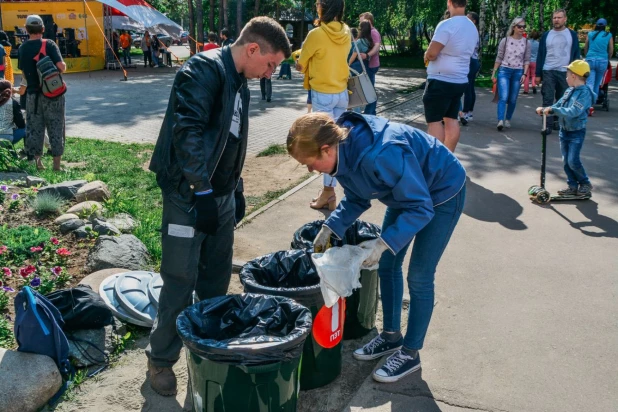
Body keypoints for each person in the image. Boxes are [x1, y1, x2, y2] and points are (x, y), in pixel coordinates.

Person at [147, 16, 291, 397]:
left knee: (216, 278)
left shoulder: (240, 81)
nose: (271, 72)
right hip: (187, 195)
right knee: (180, 280)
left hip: (220, 196)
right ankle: (160, 360)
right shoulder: (202, 70)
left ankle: (206, 353)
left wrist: (233, 187)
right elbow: (187, 133)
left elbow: (231, 140)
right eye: (271, 64)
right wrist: (201, 191)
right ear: (253, 49)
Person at [287, 111, 466, 383]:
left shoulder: (381, 153)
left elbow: (420, 208)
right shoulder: (343, 154)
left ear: (325, 149)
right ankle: (391, 336)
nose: (310, 170)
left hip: (442, 192)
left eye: (308, 163)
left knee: (419, 275)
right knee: (388, 264)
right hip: (407, 196)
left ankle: (410, 352)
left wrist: (383, 243)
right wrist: (331, 227)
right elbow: (357, 196)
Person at [296, 0, 350, 211]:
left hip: (323, 93)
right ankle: (331, 189)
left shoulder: (316, 34)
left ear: (322, 7)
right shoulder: (346, 31)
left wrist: (298, 59)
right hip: (342, 93)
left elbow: (301, 65)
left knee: (325, 146)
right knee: (337, 143)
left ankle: (328, 193)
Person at [423, 0, 478, 152]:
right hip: (460, 79)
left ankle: (436, 161)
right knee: (451, 119)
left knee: (434, 121)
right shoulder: (472, 27)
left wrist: (426, 54)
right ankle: (449, 157)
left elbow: (432, 53)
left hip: (441, 79)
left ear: (449, 2)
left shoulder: (447, 25)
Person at [536, 60, 595, 197]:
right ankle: (572, 186)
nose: (566, 78)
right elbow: (558, 105)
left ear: (574, 76)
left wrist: (553, 110)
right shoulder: (569, 90)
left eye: (567, 75)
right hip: (564, 130)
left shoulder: (584, 93)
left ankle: (585, 183)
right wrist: (547, 109)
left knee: (573, 161)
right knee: (566, 161)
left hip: (576, 132)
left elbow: (573, 111)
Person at [17, 14, 66, 171]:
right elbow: (62, 67)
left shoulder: (22, 48)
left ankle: (38, 164)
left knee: (35, 128)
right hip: (53, 95)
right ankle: (56, 166)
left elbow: (24, 73)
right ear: (43, 29)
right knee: (56, 126)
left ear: (26, 29)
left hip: (32, 96)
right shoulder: (49, 44)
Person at [535, 9, 580, 134]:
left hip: (565, 72)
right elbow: (540, 55)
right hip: (548, 70)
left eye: (559, 17)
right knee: (547, 98)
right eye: (554, 18)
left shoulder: (572, 35)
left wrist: (575, 73)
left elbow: (576, 54)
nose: (556, 20)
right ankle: (547, 125)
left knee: (563, 99)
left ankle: (558, 122)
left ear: (565, 19)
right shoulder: (546, 35)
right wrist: (538, 74)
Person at [491, 17, 530, 131]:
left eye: (523, 27)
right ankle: (500, 120)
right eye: (519, 26)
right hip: (504, 70)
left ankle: (508, 119)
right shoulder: (505, 40)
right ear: (513, 27)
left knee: (513, 98)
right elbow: (499, 57)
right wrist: (494, 72)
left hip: (518, 72)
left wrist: (525, 74)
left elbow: (526, 60)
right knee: (503, 96)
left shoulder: (526, 42)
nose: (522, 29)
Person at [357, 12, 381, 115]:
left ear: (369, 21)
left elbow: (377, 46)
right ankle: (370, 111)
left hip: (371, 64)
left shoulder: (373, 32)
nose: (360, 24)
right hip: (369, 64)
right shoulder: (368, 32)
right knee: (369, 88)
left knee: (370, 89)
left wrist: (367, 55)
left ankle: (370, 112)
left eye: (362, 21)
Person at [584, 18, 614, 100]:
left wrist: (587, 56)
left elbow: (586, 47)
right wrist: (608, 59)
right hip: (602, 61)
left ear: (596, 25)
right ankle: (593, 102)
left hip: (590, 60)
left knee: (589, 82)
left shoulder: (590, 34)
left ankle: (588, 103)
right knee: (597, 84)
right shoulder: (608, 35)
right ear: (605, 26)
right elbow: (611, 50)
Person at [461, 12, 480, 122]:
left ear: (473, 21)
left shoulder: (471, 32)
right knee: (470, 87)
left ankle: (466, 111)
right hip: (474, 60)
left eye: (468, 18)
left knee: (467, 87)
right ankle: (469, 112)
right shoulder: (474, 31)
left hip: (470, 61)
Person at [0, 80, 25, 144]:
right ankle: (28, 151)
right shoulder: (13, 102)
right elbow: (21, 124)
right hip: (6, 138)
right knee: (28, 128)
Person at [524, 30, 540, 94]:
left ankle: (526, 90)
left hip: (527, 61)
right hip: (535, 61)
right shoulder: (538, 44)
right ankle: (533, 85)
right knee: (533, 75)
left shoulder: (527, 42)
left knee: (526, 75)